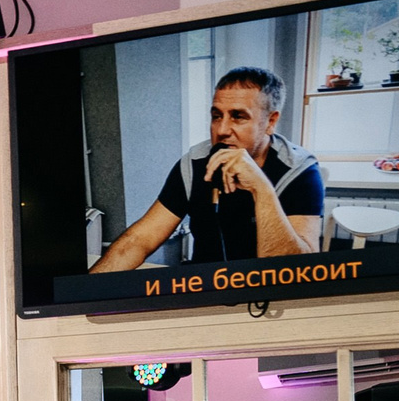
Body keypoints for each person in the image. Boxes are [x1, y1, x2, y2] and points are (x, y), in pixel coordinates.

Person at [91, 66, 325, 271]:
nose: (222, 130)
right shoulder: (195, 164)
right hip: (205, 289)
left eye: (238, 117)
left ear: (270, 122)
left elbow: (298, 270)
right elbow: (139, 240)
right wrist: (86, 295)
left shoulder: (300, 171)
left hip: (267, 298)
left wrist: (261, 189)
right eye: (216, 116)